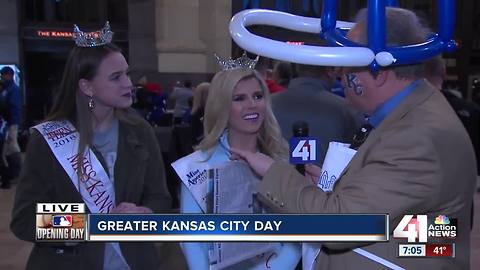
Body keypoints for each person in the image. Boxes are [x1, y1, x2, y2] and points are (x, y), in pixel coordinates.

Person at [231, 7, 476, 270]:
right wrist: (336, 192)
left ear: (378, 74)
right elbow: (427, 226)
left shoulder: (416, 138)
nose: (339, 73)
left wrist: (273, 172)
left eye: (346, 63)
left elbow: (342, 227)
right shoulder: (414, 111)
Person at [10, 23, 171, 270]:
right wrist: (87, 224)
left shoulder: (140, 131)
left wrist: (145, 213)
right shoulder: (48, 140)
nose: (129, 84)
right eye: (116, 77)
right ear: (87, 87)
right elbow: (25, 219)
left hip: (134, 261)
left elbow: (160, 197)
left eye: (127, 73)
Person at [173, 67, 301, 269]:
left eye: (257, 96)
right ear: (222, 106)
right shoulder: (195, 167)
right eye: (239, 98)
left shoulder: (282, 159)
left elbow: (299, 232)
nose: (252, 105)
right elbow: (192, 241)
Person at [272, 63, 364, 165]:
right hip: (332, 179)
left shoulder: (267, 104)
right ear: (330, 71)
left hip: (275, 178)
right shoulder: (347, 109)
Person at [0, 66, 23, 189]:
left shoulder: (14, 89)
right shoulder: (5, 89)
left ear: (9, 75)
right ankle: (12, 173)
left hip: (11, 122)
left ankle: (17, 173)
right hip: (6, 122)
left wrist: (14, 123)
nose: (2, 77)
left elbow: (15, 107)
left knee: (13, 146)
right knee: (8, 148)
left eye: (4, 75)